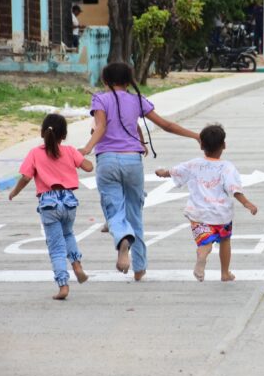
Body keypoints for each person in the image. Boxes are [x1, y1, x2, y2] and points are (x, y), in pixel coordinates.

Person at [79, 63, 200, 281]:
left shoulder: (100, 99)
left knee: (114, 209)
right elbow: (166, 125)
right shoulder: (137, 101)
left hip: (107, 160)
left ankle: (123, 240)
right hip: (132, 161)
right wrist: (196, 136)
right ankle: (140, 268)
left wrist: (87, 148)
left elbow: (101, 127)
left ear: (105, 81)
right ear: (128, 81)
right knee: (135, 212)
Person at [155, 124, 258, 282]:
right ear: (224, 145)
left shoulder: (194, 164)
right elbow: (234, 189)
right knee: (225, 240)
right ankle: (225, 273)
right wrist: (247, 203)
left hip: (198, 213)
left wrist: (162, 173)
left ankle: (202, 256)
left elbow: (174, 172)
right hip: (221, 214)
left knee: (206, 242)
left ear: (201, 144)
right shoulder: (227, 167)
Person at [9, 114, 94, 299]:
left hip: (49, 203)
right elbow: (89, 167)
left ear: (42, 133)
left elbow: (25, 177)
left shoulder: (35, 153)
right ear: (64, 135)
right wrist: (79, 155)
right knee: (69, 234)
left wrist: (14, 192)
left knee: (56, 247)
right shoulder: (70, 151)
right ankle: (77, 265)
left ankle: (63, 286)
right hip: (69, 201)